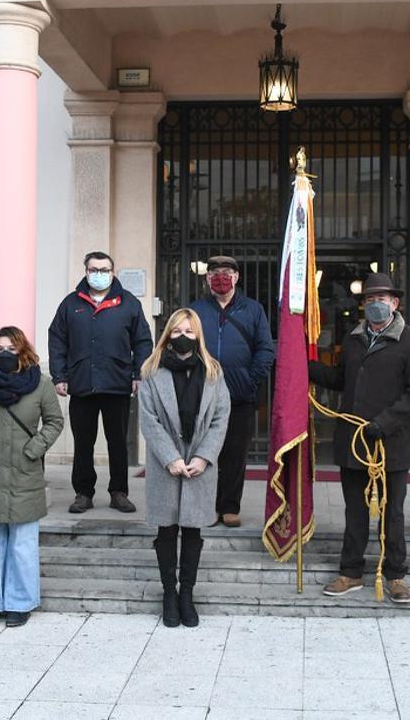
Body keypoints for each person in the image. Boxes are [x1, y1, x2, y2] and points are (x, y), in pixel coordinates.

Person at [308, 273, 410, 604]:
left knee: (393, 512)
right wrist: (306, 367)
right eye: (371, 299)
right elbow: (340, 379)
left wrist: (384, 422)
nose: (377, 304)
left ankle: (395, 576)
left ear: (395, 303)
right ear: (364, 305)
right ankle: (350, 572)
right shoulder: (353, 339)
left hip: (391, 443)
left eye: (383, 298)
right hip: (354, 443)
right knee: (355, 511)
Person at [0, 326, 64, 629]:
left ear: (23, 350)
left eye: (11, 348)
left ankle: (19, 602)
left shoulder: (42, 385)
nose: (5, 353)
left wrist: (36, 448)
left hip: (25, 471)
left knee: (23, 543)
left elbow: (55, 421)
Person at [139, 307, 230, 628]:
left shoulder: (213, 372)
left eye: (189, 332)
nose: (182, 337)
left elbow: (220, 418)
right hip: (166, 465)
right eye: (176, 331)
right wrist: (171, 458)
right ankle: (168, 593)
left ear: (198, 336)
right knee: (166, 530)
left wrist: (204, 456)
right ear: (167, 334)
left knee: (193, 531)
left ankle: (186, 594)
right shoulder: (151, 371)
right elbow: (148, 421)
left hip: (199, 466)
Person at [49, 251, 153, 515]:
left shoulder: (128, 303)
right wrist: (59, 376)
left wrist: (138, 374)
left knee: (118, 442)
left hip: (117, 385)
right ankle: (83, 493)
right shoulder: (71, 304)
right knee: (83, 442)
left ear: (113, 271)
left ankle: (119, 492)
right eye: (94, 270)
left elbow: (143, 341)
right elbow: (57, 340)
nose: (99, 274)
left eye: (104, 269)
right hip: (81, 385)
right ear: (86, 272)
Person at [189, 255, 276, 528]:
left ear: (237, 277)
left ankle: (229, 507)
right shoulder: (195, 310)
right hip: (203, 396)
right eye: (214, 272)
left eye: (227, 272)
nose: (221, 277)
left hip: (240, 396)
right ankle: (208, 506)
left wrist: (250, 380)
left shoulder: (253, 310)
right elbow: (180, 342)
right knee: (205, 452)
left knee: (235, 454)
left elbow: (266, 349)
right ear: (206, 279)